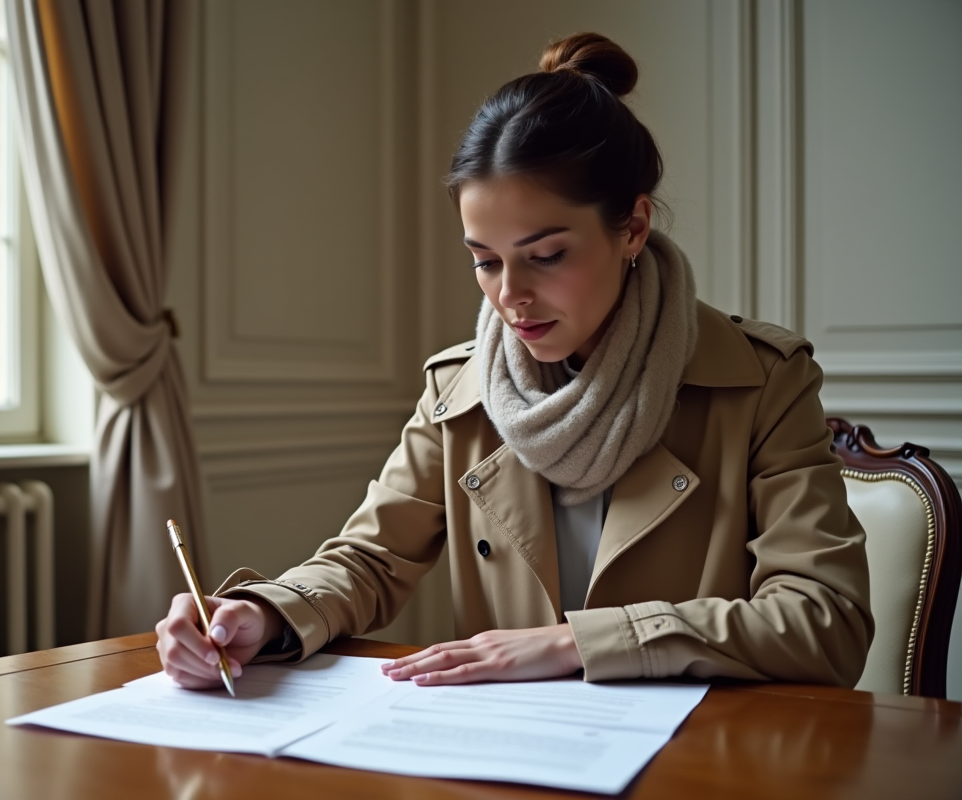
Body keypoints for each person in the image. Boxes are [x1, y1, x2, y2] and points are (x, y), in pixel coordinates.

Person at [155, 32, 873, 690]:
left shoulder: (761, 379)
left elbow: (824, 618)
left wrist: (577, 643)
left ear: (633, 226)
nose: (510, 297)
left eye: (548, 256)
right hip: (512, 755)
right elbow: (370, 561)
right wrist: (261, 614)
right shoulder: (461, 389)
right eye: (485, 261)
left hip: (704, 760)